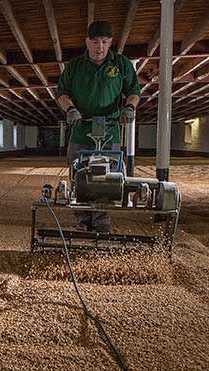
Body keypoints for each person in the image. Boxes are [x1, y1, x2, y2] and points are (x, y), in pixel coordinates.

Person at [57, 20, 141, 232]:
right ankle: (82, 222)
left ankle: (102, 225)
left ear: (110, 41)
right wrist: (70, 109)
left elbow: (134, 91)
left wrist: (129, 108)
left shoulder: (121, 64)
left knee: (107, 179)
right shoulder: (75, 66)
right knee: (79, 176)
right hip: (81, 130)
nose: (99, 47)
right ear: (87, 42)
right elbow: (62, 94)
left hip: (110, 131)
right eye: (95, 42)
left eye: (104, 41)